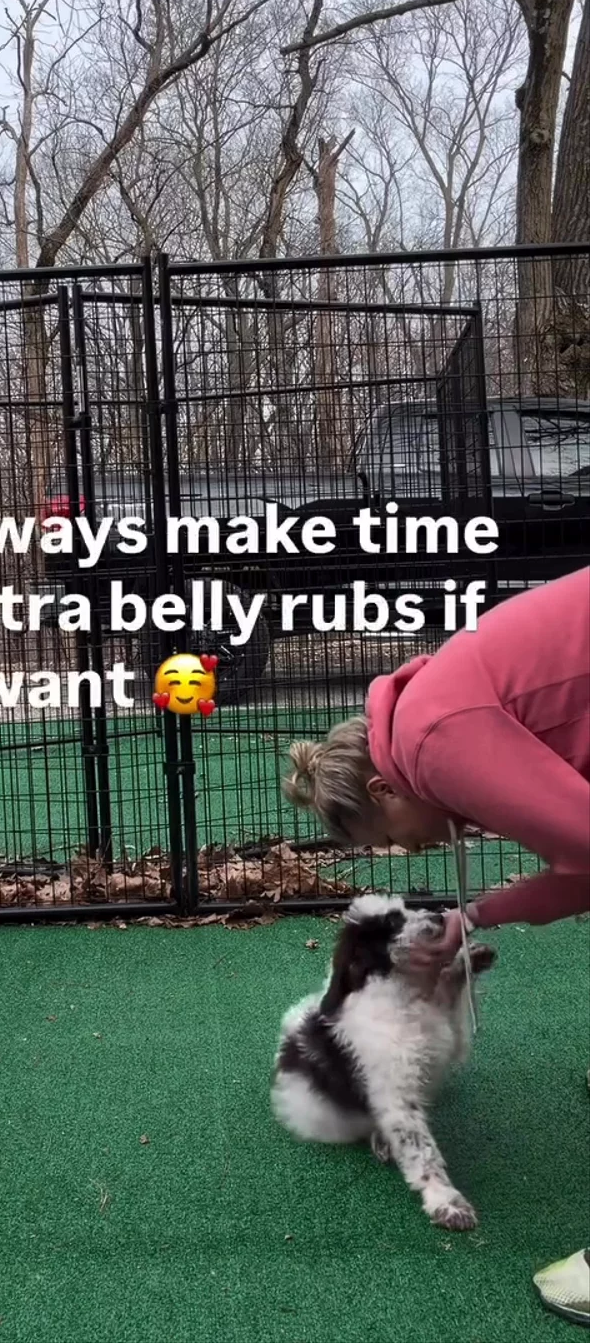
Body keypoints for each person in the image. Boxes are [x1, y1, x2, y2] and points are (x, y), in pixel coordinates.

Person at [284, 566, 590, 1327]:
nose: (411, 852)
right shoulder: (428, 709)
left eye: (391, 839)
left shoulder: (430, 743)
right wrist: (478, 914)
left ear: (385, 791)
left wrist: (478, 916)